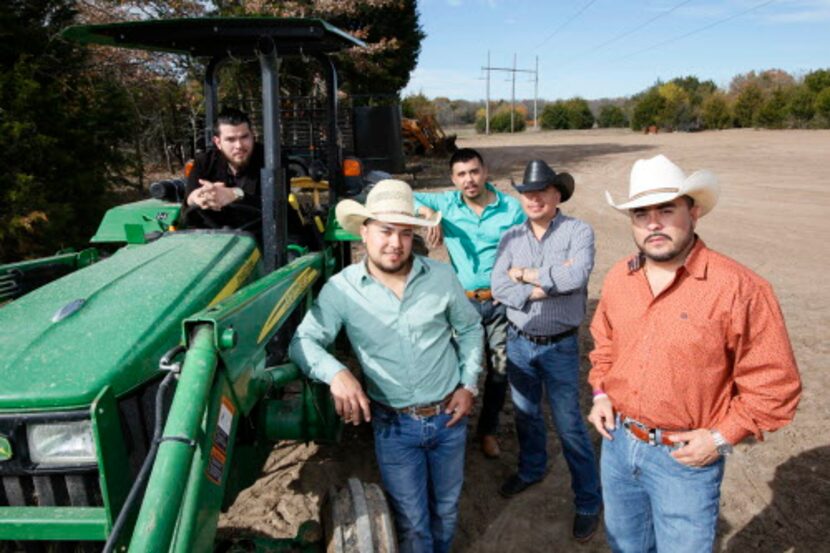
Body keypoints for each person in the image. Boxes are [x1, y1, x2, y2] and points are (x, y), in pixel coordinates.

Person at [587, 154, 801, 553]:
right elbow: (605, 344)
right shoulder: (620, 277)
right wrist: (601, 394)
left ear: (694, 212)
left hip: (684, 460)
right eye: (641, 213)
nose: (653, 223)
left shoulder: (739, 289)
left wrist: (719, 438)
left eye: (666, 210)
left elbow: (776, 385)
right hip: (617, 445)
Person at [288, 179, 483, 553]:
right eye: (385, 231)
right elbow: (303, 341)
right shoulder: (342, 289)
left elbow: (471, 328)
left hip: (448, 418)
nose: (395, 243)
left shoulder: (441, 278)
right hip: (395, 427)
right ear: (364, 231)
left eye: (406, 233)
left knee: (446, 510)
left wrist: (469, 385)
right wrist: (338, 373)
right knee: (411, 522)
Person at [491, 159, 603, 542]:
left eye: (542, 191)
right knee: (525, 415)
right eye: (527, 193)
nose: (534, 198)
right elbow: (498, 288)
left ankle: (588, 500)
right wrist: (543, 284)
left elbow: (577, 276)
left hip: (560, 345)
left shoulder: (578, 232)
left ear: (558, 194)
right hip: (520, 343)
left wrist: (523, 276)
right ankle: (532, 469)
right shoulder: (510, 238)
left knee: (570, 424)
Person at [414, 148, 526, 458]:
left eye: (474, 172)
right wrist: (428, 216)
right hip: (461, 305)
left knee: (500, 370)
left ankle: (487, 430)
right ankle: (450, 427)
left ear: (485, 172)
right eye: (461, 174)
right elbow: (406, 196)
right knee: (453, 369)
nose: (469, 180)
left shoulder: (511, 208)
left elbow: (525, 247)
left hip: (500, 304)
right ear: (453, 179)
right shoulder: (446, 204)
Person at [182, 108, 263, 230]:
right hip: (216, 235)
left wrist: (235, 194)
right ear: (218, 142)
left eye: (244, 137)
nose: (239, 146)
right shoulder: (204, 162)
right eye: (231, 139)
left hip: (263, 234)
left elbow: (277, 203)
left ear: (252, 136)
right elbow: (190, 196)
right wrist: (199, 197)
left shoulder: (271, 160)